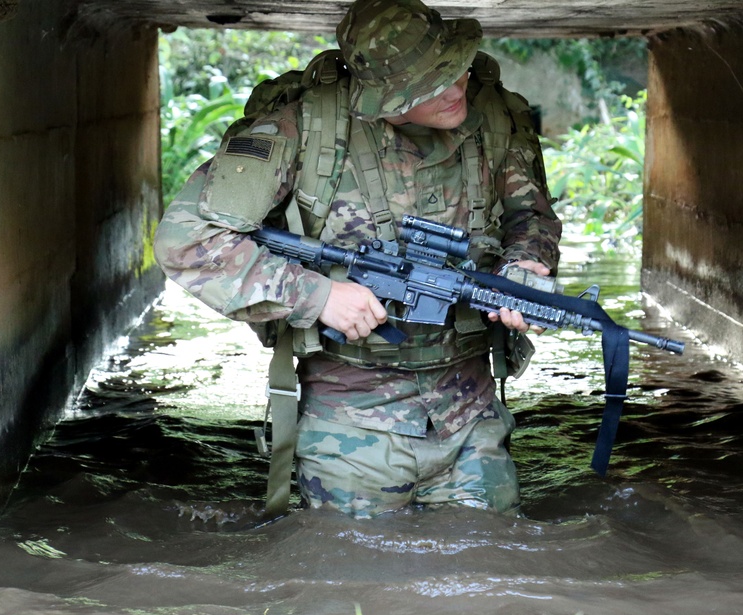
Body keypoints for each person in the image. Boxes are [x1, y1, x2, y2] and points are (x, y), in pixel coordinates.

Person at [154, 0, 562, 519]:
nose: (457, 87)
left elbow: (533, 216)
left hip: (471, 412)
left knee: (492, 566)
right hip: (352, 418)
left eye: (455, 68)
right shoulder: (307, 130)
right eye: (432, 83)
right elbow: (186, 240)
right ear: (384, 99)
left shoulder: (495, 117)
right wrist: (317, 296)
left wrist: (523, 268)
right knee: (351, 577)